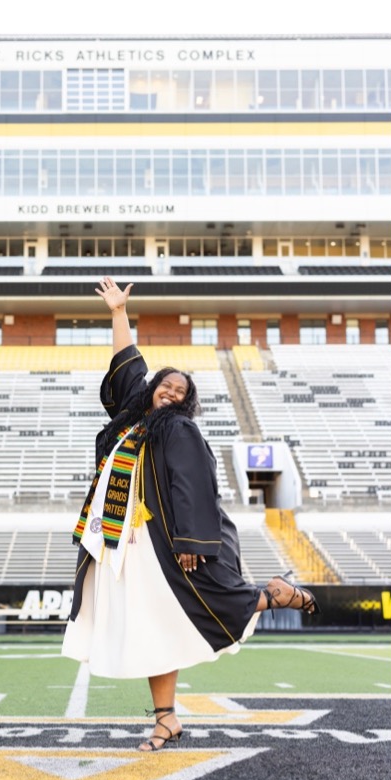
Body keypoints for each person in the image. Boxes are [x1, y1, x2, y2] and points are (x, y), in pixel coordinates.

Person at [61, 277, 320, 752]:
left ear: (186, 402)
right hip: (127, 544)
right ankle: (166, 720)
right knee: (151, 628)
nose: (171, 392)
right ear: (152, 390)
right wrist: (118, 314)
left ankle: (274, 596)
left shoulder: (178, 430)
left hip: (166, 543)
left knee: (209, 602)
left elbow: (194, 484)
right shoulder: (131, 425)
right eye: (166, 385)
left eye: (181, 391)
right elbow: (125, 367)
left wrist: (190, 542)